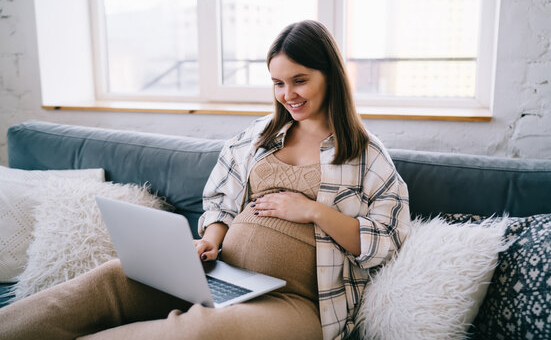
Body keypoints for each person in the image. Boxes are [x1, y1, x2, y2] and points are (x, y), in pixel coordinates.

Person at [0, 20, 410, 340]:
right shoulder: (257, 137)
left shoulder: (366, 155)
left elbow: (385, 243)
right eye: (278, 83)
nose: (288, 94)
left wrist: (312, 210)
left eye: (299, 80)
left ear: (331, 75)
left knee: (199, 331)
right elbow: (220, 203)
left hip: (296, 302)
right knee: (111, 277)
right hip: (221, 278)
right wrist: (210, 240)